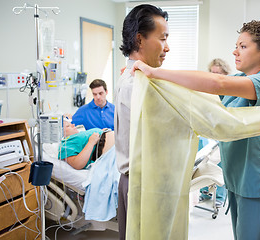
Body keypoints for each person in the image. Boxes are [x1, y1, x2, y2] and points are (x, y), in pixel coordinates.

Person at [131, 20, 260, 240]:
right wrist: (145, 78)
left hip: (259, 181)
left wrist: (154, 72)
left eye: (243, 46)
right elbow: (200, 90)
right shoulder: (240, 79)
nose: (235, 51)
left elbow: (217, 83)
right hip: (238, 179)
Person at [114, 4, 169, 240]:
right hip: (141, 185)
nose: (168, 47)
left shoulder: (139, 79)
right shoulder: (134, 85)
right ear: (140, 39)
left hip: (142, 182)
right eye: (163, 38)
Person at [199, 58, 231, 207]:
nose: (213, 75)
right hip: (208, 130)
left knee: (221, 163)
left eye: (217, 73)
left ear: (225, 74)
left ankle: (219, 195)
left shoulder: (230, 91)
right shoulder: (207, 90)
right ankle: (204, 191)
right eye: (211, 72)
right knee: (203, 161)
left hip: (224, 132)